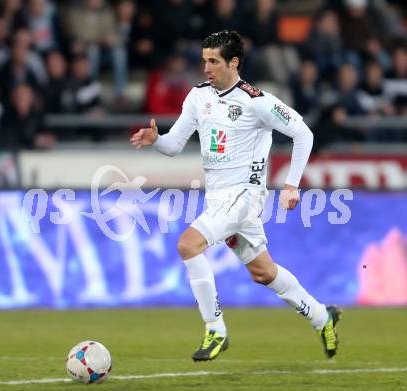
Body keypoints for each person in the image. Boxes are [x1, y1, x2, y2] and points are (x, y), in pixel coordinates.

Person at [130, 30, 341, 362]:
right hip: (217, 198)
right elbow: (173, 145)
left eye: (213, 61)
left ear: (234, 62)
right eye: (204, 61)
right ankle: (321, 317)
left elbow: (303, 133)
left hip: (245, 196)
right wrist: (156, 139)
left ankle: (216, 329)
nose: (206, 68)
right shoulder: (198, 97)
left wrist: (291, 184)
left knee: (188, 245)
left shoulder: (256, 101)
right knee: (264, 273)